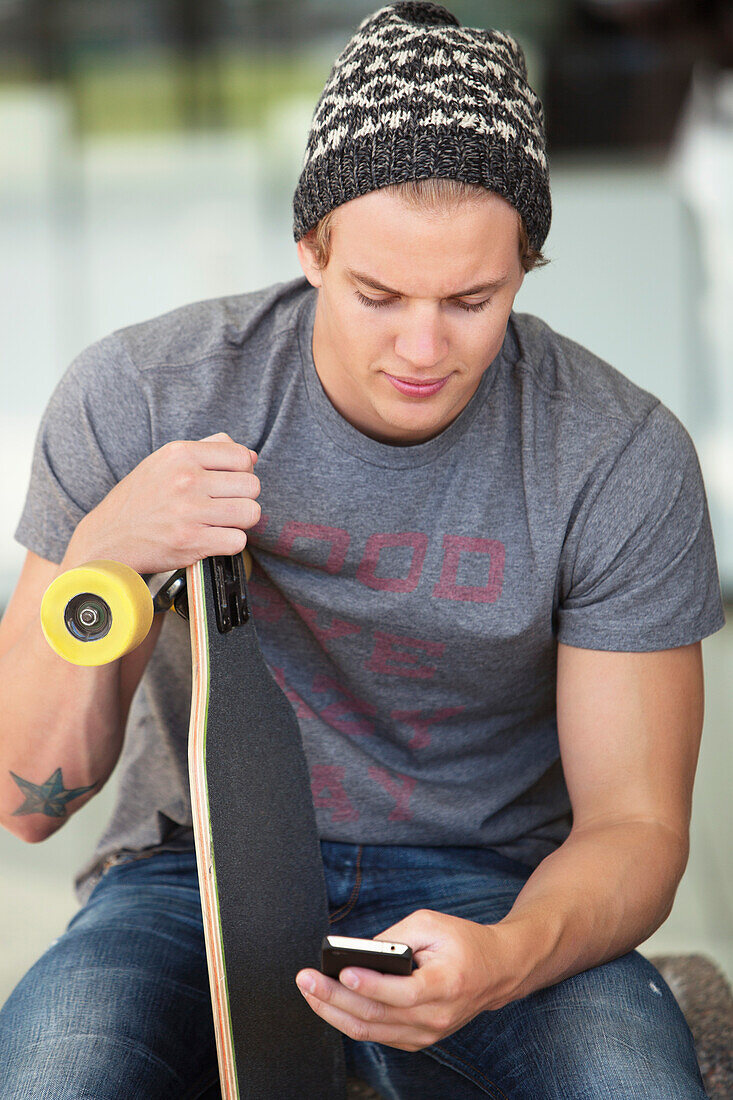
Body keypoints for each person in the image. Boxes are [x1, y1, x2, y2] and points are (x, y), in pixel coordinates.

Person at [0, 2, 725, 1097]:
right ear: (308, 247)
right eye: (377, 295)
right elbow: (28, 800)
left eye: (471, 299)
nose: (424, 347)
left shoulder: (617, 456)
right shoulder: (145, 394)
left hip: (496, 878)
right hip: (192, 870)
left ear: (526, 264)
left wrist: (508, 955)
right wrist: (106, 551)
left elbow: (636, 828)